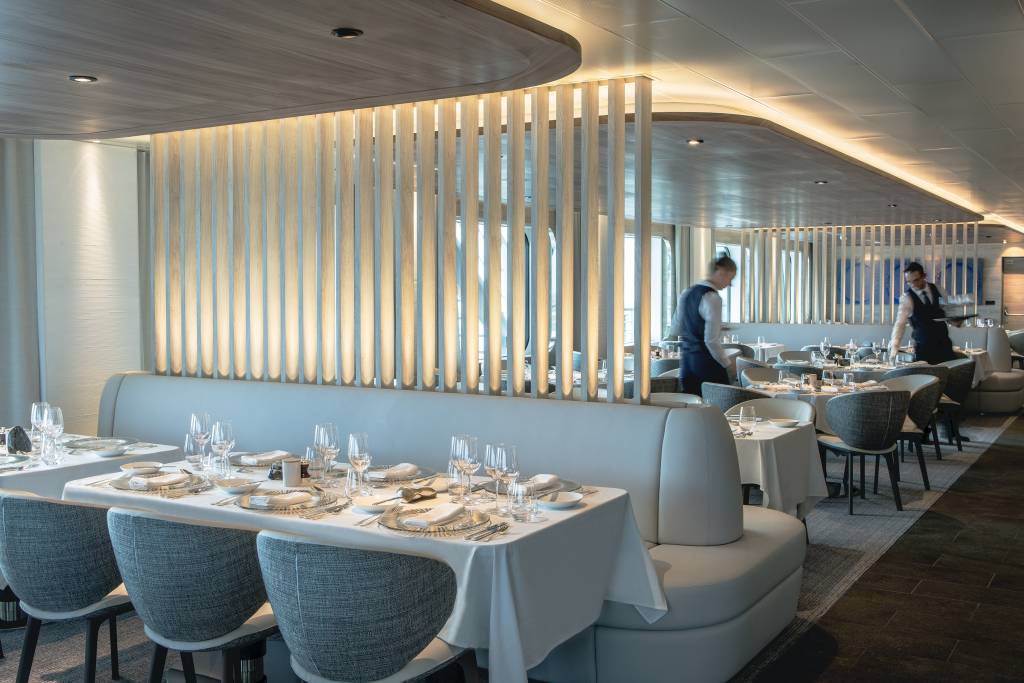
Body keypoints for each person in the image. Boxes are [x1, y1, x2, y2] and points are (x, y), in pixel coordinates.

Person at [670, 254, 737, 396]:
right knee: (720, 405)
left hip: (687, 364)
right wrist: (727, 364)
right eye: (730, 278)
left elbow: (676, 327)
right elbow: (711, 341)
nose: (730, 284)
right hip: (707, 365)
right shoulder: (713, 298)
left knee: (691, 405)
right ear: (721, 271)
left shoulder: (686, 293)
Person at [888, 261, 958, 364]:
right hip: (924, 349)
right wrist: (894, 346)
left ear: (924, 276)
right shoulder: (907, 298)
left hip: (944, 346)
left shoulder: (939, 290)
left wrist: (955, 321)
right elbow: (900, 324)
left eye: (916, 280)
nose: (913, 285)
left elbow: (948, 311)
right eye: (909, 282)